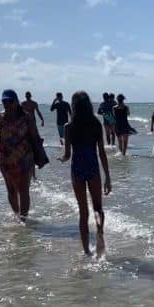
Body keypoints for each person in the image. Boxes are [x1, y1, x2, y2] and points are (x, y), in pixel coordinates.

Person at [58, 91, 111, 256]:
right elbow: (101, 152)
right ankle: (100, 233)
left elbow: (68, 155)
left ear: (73, 106)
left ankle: (87, 250)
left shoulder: (69, 127)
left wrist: (62, 158)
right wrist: (108, 177)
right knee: (97, 208)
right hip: (93, 168)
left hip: (77, 169)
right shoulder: (96, 124)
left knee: (83, 212)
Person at [0, 89, 42, 222]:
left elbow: (35, 137)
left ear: (16, 101)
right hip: (6, 161)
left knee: (23, 190)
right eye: (4, 101)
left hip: (25, 159)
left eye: (10, 101)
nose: (7, 104)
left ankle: (24, 220)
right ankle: (17, 215)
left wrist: (39, 156)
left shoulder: (26, 117)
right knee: (11, 190)